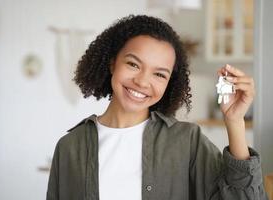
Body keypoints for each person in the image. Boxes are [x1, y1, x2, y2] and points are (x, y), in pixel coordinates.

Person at [46, 15, 268, 200]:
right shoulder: (69, 147)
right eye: (133, 64)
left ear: (169, 82)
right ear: (113, 63)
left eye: (159, 74)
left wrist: (235, 121)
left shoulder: (187, 141)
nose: (142, 82)